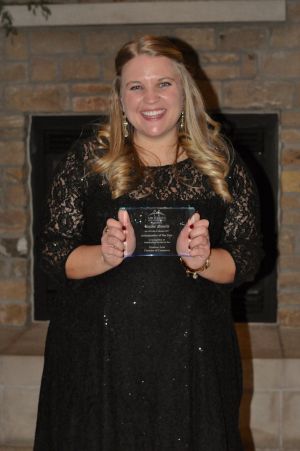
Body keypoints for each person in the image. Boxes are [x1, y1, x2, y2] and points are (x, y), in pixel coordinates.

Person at [34, 35, 262, 451]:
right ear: (120, 98)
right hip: (98, 355)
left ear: (185, 91)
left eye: (164, 83)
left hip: (193, 354)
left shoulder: (220, 162)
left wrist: (204, 259)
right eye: (136, 86)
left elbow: (246, 259)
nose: (150, 98)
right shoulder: (88, 160)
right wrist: (104, 256)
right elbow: (54, 253)